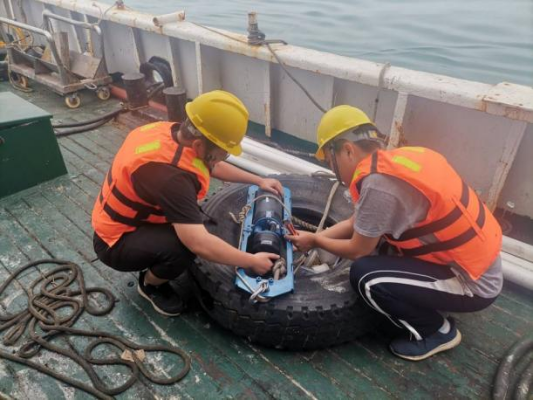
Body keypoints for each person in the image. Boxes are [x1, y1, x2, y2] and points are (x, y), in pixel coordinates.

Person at [287, 105, 503, 361]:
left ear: (347, 150)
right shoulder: (397, 161)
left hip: (473, 284)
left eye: (330, 161)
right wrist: (316, 239)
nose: (333, 168)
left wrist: (315, 240)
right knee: (379, 252)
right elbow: (358, 221)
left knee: (367, 277)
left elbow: (359, 249)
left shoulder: (378, 185)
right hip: (474, 262)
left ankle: (437, 331)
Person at [92, 90, 283, 317]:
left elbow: (209, 164)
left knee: (193, 226)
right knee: (183, 249)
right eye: (224, 152)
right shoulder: (171, 179)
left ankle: (154, 253)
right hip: (115, 243)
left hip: (126, 220)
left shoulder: (168, 132)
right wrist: (251, 261)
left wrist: (259, 180)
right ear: (200, 145)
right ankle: (150, 284)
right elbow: (198, 244)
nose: (223, 157)